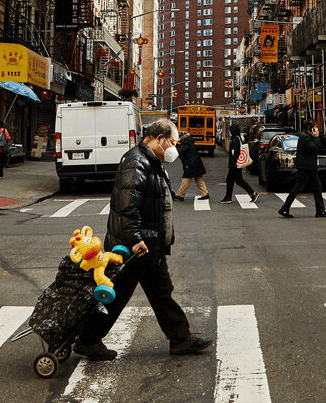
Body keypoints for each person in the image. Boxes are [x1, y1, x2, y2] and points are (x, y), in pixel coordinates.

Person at [74, 118, 213, 361]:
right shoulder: (137, 162)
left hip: (149, 246)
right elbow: (126, 207)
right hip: (131, 248)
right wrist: (136, 239)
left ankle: (180, 339)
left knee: (162, 292)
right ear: (159, 138)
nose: (174, 148)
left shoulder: (151, 161)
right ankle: (87, 340)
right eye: (172, 142)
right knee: (114, 295)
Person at [278, 120, 326, 218]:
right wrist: (316, 137)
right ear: (310, 128)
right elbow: (314, 147)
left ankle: (320, 210)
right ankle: (284, 208)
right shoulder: (304, 137)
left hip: (310, 168)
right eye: (315, 126)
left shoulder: (308, 136)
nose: (317, 128)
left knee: (317, 188)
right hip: (305, 168)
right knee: (297, 188)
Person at [221, 124, 258, 204]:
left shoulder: (236, 139)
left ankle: (228, 197)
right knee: (238, 180)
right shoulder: (237, 138)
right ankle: (252, 193)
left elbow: (237, 152)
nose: (230, 132)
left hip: (235, 164)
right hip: (236, 163)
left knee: (231, 180)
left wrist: (233, 164)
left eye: (231, 131)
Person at [173, 132, 209, 201]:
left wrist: (175, 147)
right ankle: (204, 193)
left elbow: (181, 151)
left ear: (182, 137)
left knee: (186, 179)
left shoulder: (185, 143)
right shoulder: (189, 141)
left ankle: (180, 195)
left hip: (190, 163)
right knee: (198, 179)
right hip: (196, 163)